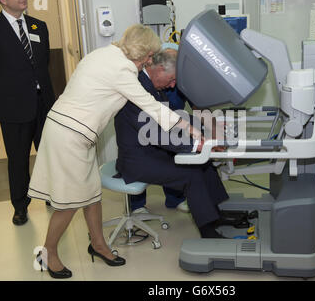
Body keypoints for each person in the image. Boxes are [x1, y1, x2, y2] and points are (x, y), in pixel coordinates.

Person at [27, 24, 198, 279]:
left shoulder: (102, 54)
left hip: (72, 132)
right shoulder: (123, 70)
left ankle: (98, 245)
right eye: (149, 56)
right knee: (67, 203)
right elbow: (150, 106)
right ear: (141, 52)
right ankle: (47, 252)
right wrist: (189, 128)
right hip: (68, 136)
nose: (150, 61)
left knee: (91, 194)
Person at [114, 49, 230, 240]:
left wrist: (207, 128)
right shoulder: (138, 89)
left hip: (152, 151)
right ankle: (208, 232)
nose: (173, 85)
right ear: (159, 69)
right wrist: (197, 145)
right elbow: (156, 133)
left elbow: (174, 117)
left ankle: (216, 215)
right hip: (137, 160)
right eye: (172, 79)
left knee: (202, 162)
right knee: (191, 172)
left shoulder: (153, 86)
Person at [0, 0, 56, 226]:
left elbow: (43, 63)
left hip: (44, 104)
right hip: (14, 107)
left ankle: (53, 194)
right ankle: (20, 206)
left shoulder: (38, 26)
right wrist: (8, 92)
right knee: (18, 159)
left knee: (50, 154)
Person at [129, 48, 189, 214]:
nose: (173, 85)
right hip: (140, 138)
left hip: (168, 123)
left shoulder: (170, 82)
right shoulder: (138, 83)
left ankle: (174, 198)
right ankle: (137, 205)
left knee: (172, 154)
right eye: (171, 79)